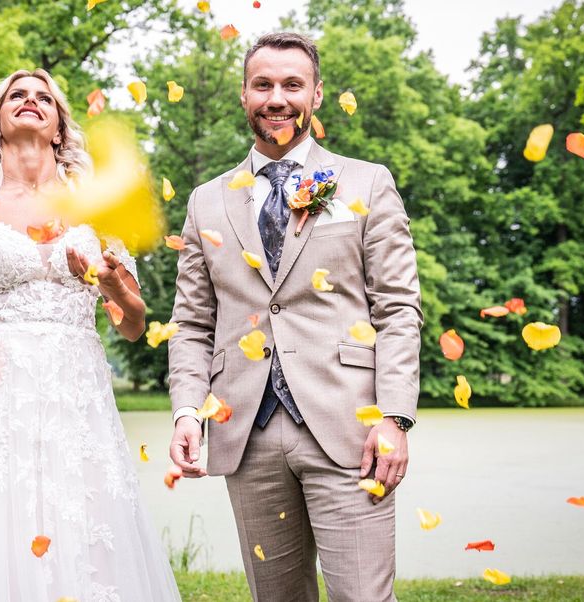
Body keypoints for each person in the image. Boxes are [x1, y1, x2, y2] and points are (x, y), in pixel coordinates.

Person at [0, 69, 181, 602]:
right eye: (16, 96)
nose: (30, 101)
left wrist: (112, 280)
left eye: (43, 96)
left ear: (58, 127)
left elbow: (136, 323)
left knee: (86, 520)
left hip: (77, 392)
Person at [167, 33, 423, 601]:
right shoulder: (205, 201)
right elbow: (190, 322)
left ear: (317, 94)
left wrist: (395, 418)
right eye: (263, 85)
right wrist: (188, 408)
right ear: (244, 95)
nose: (276, 98)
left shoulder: (366, 183)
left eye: (291, 84)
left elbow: (399, 308)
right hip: (246, 434)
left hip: (352, 427)